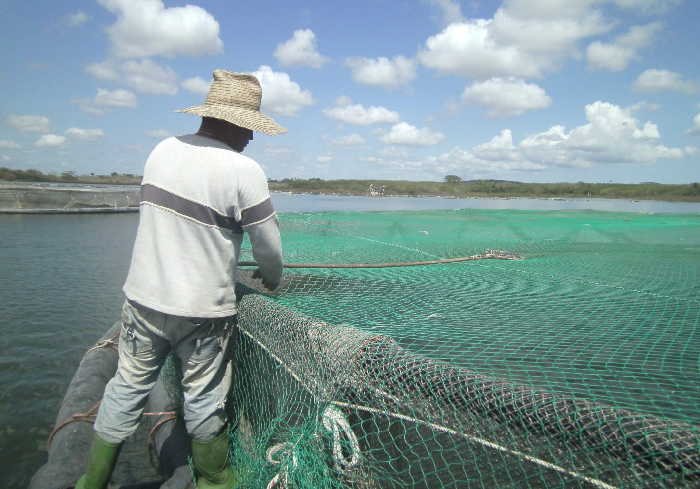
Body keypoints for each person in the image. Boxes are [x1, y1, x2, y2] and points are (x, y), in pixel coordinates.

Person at [75, 70, 285, 489]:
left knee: (127, 386)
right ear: (238, 123)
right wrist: (273, 278)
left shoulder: (162, 150)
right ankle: (213, 478)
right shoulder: (245, 170)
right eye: (250, 129)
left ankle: (91, 480)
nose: (251, 138)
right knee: (204, 397)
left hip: (143, 302)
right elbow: (270, 249)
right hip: (203, 314)